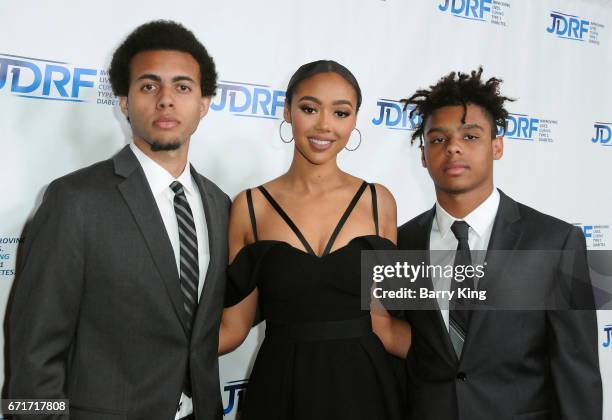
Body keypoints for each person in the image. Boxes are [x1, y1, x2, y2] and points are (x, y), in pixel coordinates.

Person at [8, 20, 230, 420]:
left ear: (204, 103)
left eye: (182, 87)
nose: (166, 100)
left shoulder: (220, 205)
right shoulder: (74, 201)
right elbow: (33, 348)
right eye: (149, 86)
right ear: (124, 102)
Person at [397, 67, 602, 420]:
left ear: (497, 146)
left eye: (470, 136)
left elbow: (577, 373)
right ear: (422, 154)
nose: (453, 148)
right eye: (437, 139)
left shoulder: (557, 242)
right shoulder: (400, 243)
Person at [218, 60, 410, 420]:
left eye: (341, 112)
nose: (324, 125)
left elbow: (384, 325)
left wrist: (469, 363)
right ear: (288, 112)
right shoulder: (250, 206)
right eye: (309, 108)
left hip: (365, 388)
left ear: (354, 121)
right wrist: (151, 344)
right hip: (280, 389)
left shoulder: (378, 201)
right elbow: (233, 329)